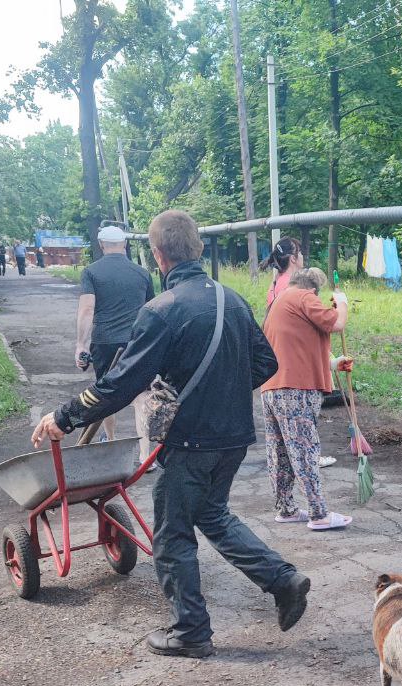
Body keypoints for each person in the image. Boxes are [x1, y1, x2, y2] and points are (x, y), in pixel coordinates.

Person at [31, 209, 311, 659]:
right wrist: (220, 395)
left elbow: (119, 385)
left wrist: (63, 417)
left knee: (172, 535)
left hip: (191, 442)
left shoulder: (161, 311)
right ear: (197, 249)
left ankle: (191, 632)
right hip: (235, 437)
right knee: (213, 515)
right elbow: (266, 365)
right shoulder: (233, 300)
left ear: (157, 255)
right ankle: (283, 580)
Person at [260, 267, 353, 530]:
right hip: (295, 390)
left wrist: (332, 364)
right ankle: (318, 513)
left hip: (273, 387)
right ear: (313, 289)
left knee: (280, 454)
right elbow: (336, 323)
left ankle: (287, 508)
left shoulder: (280, 302)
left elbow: (297, 345)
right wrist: (342, 303)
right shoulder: (303, 297)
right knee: (304, 451)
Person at [75, 225, 156, 451]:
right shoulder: (142, 273)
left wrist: (81, 345)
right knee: (141, 396)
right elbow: (152, 310)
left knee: (105, 393)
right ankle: (144, 454)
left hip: (105, 342)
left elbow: (86, 310)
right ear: (125, 245)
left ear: (101, 245)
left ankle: (110, 442)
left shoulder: (91, 272)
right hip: (136, 342)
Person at [262, 236, 303, 315]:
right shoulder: (290, 285)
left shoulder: (278, 280)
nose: (302, 255)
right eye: (300, 252)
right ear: (293, 258)